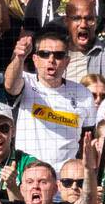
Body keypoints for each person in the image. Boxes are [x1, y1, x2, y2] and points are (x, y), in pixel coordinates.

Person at [5, 27, 96, 173]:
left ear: (67, 61)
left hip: (66, 181)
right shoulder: (26, 82)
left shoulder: (83, 94)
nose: (51, 60)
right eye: (44, 54)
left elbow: (89, 140)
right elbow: (10, 85)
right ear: (35, 59)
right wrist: (19, 57)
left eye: (58, 55)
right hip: (29, 175)